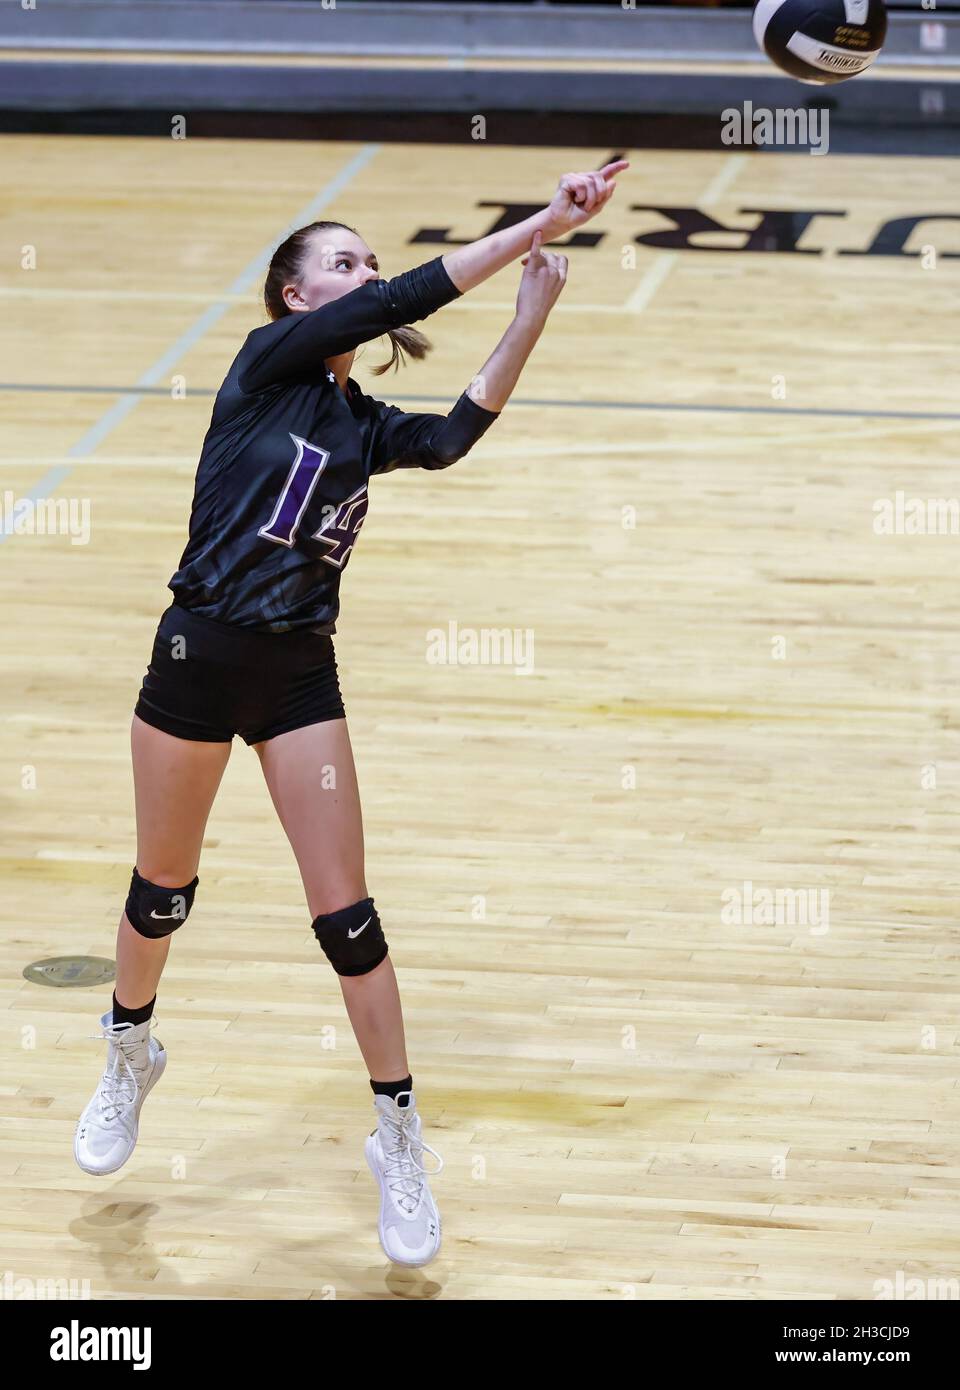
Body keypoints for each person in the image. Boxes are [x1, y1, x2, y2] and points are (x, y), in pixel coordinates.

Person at [74, 160, 628, 1268]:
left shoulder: (357, 420)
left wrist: (533, 313)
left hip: (296, 680)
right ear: (297, 296)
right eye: (347, 262)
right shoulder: (265, 366)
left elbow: (453, 435)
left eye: (369, 259)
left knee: (349, 919)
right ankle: (129, 1049)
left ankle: (399, 1136)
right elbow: (407, 301)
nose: (367, 274)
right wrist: (538, 225)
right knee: (161, 890)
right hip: (195, 655)